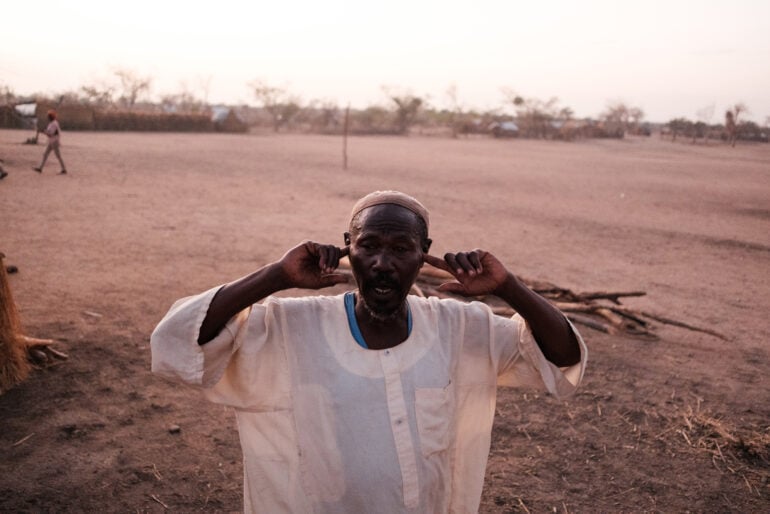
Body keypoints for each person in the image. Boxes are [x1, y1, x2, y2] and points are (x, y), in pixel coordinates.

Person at [151, 190, 587, 513]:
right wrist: (275, 276)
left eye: (400, 249)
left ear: (424, 255)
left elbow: (561, 356)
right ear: (348, 249)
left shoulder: (461, 329)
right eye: (369, 246)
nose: (382, 263)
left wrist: (508, 287)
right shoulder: (291, 327)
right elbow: (176, 341)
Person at [33, 110, 67, 174]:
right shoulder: (52, 123)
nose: (47, 118)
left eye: (48, 116)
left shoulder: (54, 123)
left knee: (58, 155)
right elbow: (49, 133)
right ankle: (40, 168)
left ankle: (64, 169)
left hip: (54, 141)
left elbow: (51, 134)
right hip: (51, 141)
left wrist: (43, 131)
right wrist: (43, 131)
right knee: (45, 154)